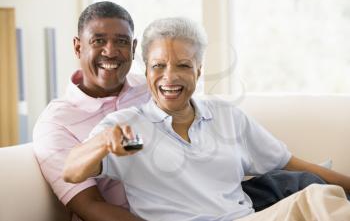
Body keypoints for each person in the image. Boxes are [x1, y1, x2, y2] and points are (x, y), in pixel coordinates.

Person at [63, 17, 350, 221]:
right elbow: (72, 172)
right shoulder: (127, 126)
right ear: (147, 70)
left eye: (183, 66)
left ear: (199, 71)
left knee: (317, 195)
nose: (169, 77)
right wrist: (102, 142)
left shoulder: (226, 117)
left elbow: (291, 164)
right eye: (158, 66)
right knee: (315, 201)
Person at [33, 1, 150, 221]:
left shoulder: (151, 90)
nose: (111, 51)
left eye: (121, 42)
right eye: (98, 41)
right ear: (78, 47)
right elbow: (91, 207)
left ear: (133, 48)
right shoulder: (55, 123)